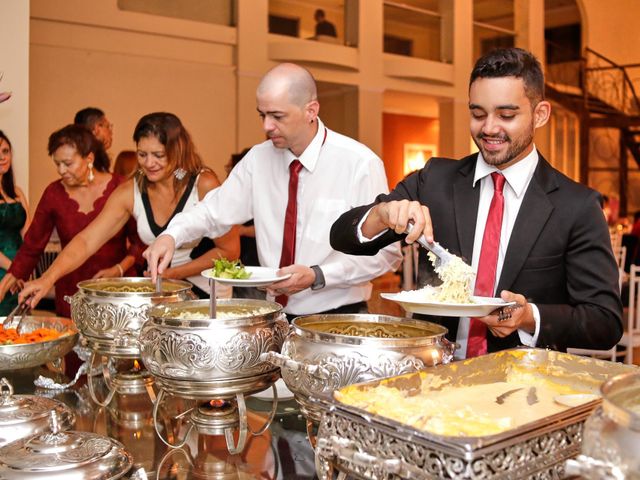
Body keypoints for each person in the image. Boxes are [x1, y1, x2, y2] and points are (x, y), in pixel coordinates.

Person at [330, 47, 623, 358]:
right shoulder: (435, 180)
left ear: (540, 115)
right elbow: (342, 237)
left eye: (506, 115)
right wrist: (382, 213)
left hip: (523, 390)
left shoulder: (575, 205)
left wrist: (528, 316)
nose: (488, 128)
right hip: (432, 375)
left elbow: (604, 322)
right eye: (478, 113)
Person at [143, 63, 402, 318]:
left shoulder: (359, 163)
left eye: (277, 116)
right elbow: (213, 211)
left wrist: (318, 275)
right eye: (262, 115)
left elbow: (387, 255)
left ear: (311, 110)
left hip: (337, 316)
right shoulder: (258, 159)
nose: (266, 126)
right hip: (272, 313)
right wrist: (171, 235)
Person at [16, 112, 239, 309]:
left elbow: (230, 252)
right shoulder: (129, 193)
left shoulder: (204, 184)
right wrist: (46, 279)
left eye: (158, 155)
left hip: (209, 299)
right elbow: (86, 241)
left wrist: (173, 274)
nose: (149, 163)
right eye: (142, 154)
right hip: (164, 297)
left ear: (177, 150)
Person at [0, 124, 140, 317]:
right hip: (70, 290)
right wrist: (13, 275)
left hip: (114, 290)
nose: (61, 170)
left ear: (89, 158)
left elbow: (139, 242)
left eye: (68, 163)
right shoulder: (54, 193)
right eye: (57, 164)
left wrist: (118, 269)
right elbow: (33, 244)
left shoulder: (119, 187)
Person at [0, 131, 30, 315]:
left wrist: (24, 270)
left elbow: (29, 236)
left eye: (5, 151)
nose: (2, 157)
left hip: (20, 271)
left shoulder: (17, 192)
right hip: (4, 269)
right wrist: (14, 270)